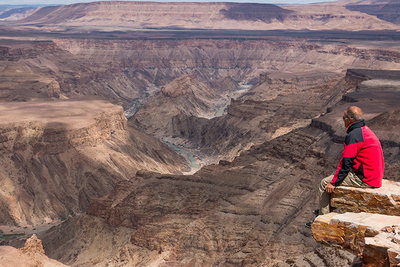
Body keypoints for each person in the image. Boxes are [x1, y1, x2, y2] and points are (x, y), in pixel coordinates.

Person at [317, 106, 384, 216]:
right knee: (334, 179)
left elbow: (346, 162)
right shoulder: (364, 130)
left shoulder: (354, 135)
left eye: (344, 118)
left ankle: (323, 217)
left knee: (324, 183)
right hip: (373, 175)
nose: (343, 120)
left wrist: (334, 183)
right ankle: (325, 207)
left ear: (349, 119)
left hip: (366, 178)